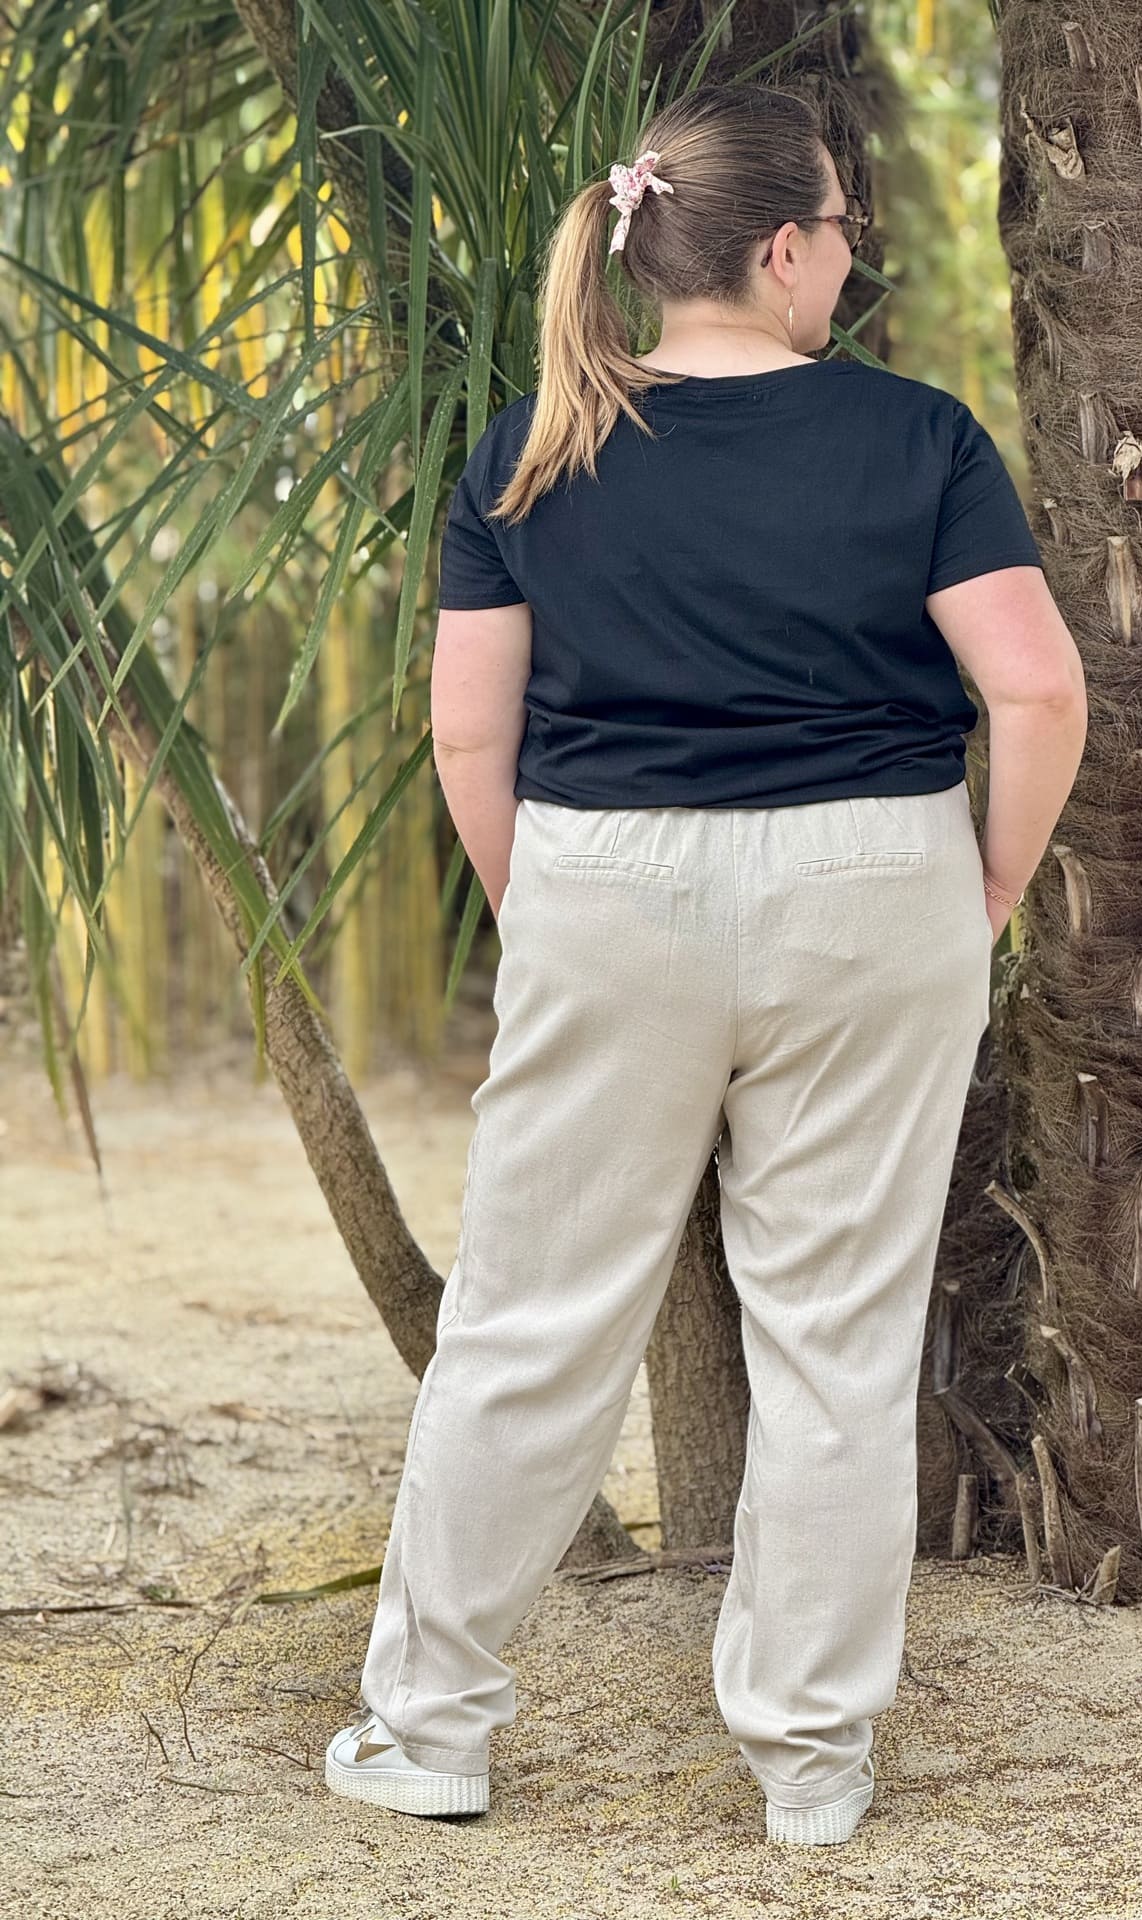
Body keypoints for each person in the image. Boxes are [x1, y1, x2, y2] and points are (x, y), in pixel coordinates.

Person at [325, 81, 1086, 1847]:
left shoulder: (533, 445)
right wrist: (983, 886)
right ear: (785, 248)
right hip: (874, 885)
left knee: (528, 1323)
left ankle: (427, 1731)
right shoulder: (919, 438)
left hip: (607, 884)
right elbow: (1039, 689)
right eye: (842, 236)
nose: (848, 265)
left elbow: (467, 737)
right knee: (837, 1338)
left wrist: (549, 907)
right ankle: (814, 1771)